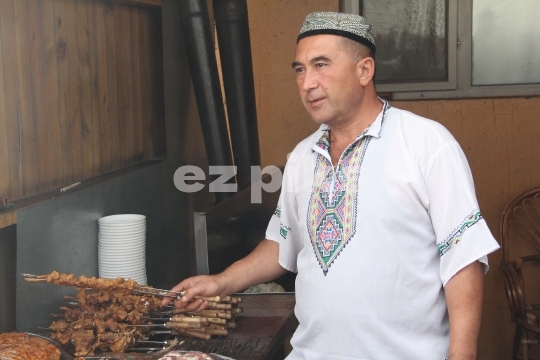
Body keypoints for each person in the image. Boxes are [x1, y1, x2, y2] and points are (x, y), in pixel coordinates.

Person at [163, 11, 500, 360]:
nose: (307, 83)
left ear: (364, 70)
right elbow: (282, 244)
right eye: (300, 69)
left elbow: (463, 257)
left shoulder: (425, 143)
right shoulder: (301, 157)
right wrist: (220, 282)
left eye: (321, 65)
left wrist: (462, 355)